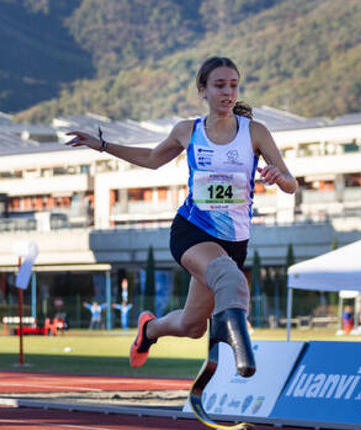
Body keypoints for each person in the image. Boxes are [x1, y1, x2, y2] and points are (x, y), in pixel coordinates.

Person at [66, 56, 296, 376]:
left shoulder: (255, 132)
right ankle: (241, 349)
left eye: (233, 85)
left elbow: (291, 184)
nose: (228, 92)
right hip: (192, 230)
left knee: (192, 326)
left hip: (233, 241)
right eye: (219, 86)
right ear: (203, 90)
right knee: (230, 279)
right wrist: (102, 145)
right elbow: (150, 158)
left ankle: (148, 330)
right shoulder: (188, 131)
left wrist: (278, 177)